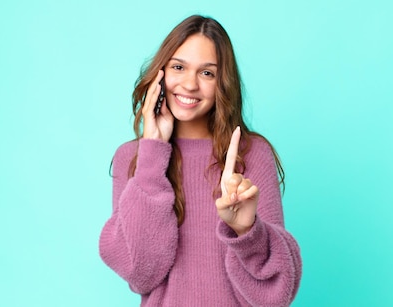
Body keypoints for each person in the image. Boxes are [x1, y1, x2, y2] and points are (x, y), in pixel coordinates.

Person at [99, 15, 302, 306]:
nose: (190, 84)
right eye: (179, 67)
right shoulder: (131, 158)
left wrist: (247, 232)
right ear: (160, 74)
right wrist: (153, 153)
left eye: (207, 73)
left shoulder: (252, 154)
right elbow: (140, 272)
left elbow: (278, 292)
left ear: (223, 83)